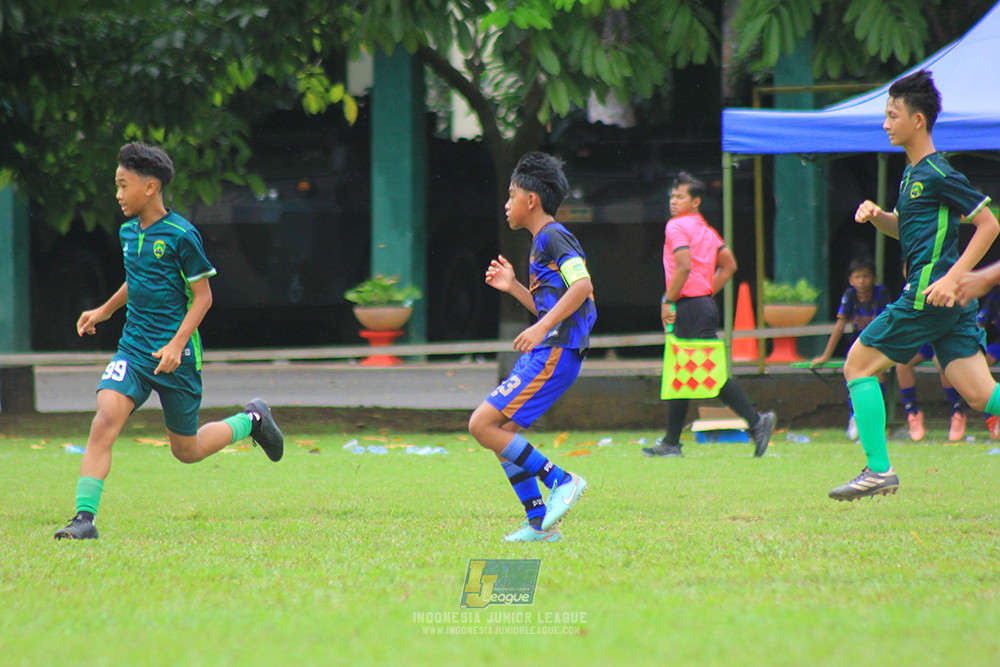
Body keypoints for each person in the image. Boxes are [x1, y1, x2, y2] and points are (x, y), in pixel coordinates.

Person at [53, 143, 284, 540]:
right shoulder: (128, 232)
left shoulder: (181, 235)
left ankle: (252, 420)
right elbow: (139, 278)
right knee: (104, 418)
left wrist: (177, 344)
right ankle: (83, 519)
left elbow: (204, 297)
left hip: (177, 354)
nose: (118, 194)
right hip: (134, 349)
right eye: (116, 185)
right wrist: (105, 310)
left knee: (187, 450)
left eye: (123, 185)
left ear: (150, 187)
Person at [831, 69, 999, 501]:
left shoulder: (939, 172)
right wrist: (878, 217)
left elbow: (988, 224)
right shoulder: (911, 175)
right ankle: (877, 469)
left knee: (857, 366)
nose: (885, 124)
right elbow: (906, 232)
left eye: (891, 115)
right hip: (947, 305)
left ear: (917, 120)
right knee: (982, 396)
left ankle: (877, 470)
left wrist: (953, 276)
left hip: (927, 296)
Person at [468, 152, 593, 543]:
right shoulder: (543, 241)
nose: (507, 203)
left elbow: (583, 287)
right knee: (502, 433)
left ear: (531, 200)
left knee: (481, 425)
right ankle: (540, 524)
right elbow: (553, 304)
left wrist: (541, 328)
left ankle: (563, 480)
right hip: (550, 350)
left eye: (512, 194)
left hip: (556, 352)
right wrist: (515, 287)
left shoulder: (552, 236)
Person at [641, 172, 776, 458]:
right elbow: (729, 265)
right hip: (699, 305)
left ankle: (756, 423)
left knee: (708, 374)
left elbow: (683, 266)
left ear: (696, 201)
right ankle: (671, 443)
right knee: (680, 371)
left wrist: (668, 299)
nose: (673, 201)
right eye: (672, 196)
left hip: (689, 307)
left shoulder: (676, 227)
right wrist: (705, 291)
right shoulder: (706, 230)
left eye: (680, 197)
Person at [810, 257, 891, 440]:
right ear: (850, 280)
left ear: (874, 278)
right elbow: (840, 326)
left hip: (879, 343)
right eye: (857, 277)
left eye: (865, 276)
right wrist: (825, 356)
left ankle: (877, 423)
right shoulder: (850, 294)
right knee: (853, 376)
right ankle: (855, 418)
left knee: (878, 375)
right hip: (858, 344)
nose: (861, 281)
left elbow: (888, 322)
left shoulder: (881, 293)